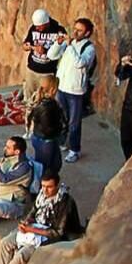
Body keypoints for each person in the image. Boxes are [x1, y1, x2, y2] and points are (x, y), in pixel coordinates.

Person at [48, 17, 97, 163]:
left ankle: (74, 149)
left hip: (75, 90)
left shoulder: (89, 48)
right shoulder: (70, 44)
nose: (75, 32)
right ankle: (62, 142)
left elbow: (80, 63)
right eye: (74, 29)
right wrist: (58, 44)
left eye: (79, 30)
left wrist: (69, 46)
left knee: (74, 123)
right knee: (61, 118)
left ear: (87, 33)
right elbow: (51, 55)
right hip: (61, 86)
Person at [21, 8, 67, 104]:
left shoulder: (58, 30)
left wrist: (45, 51)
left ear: (46, 23)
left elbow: (60, 49)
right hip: (32, 70)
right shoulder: (33, 28)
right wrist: (32, 47)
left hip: (47, 72)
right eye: (36, 27)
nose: (37, 29)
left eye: (39, 27)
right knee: (29, 97)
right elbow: (25, 45)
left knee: (44, 99)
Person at [27, 76, 66, 175]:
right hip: (46, 140)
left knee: (48, 165)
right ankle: (41, 187)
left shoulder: (38, 100)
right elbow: (48, 127)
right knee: (46, 170)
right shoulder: (49, 106)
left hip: (37, 137)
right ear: (53, 90)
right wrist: (59, 130)